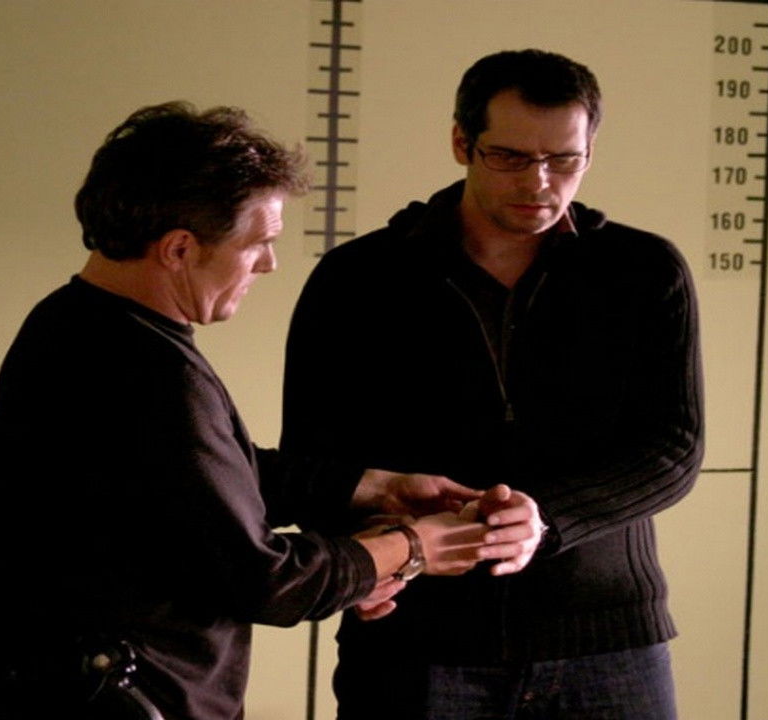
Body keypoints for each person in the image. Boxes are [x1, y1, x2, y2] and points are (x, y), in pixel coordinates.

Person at [0, 102, 522, 720]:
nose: (269, 263)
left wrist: (375, 488)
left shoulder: (70, 324)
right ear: (179, 248)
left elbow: (195, 481)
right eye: (258, 243)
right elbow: (263, 580)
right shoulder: (152, 371)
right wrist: (411, 547)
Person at [281, 49, 705, 719]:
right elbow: (311, 458)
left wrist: (548, 518)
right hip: (414, 641)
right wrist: (361, 556)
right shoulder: (357, 278)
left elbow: (674, 449)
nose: (539, 182)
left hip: (607, 643)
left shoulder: (644, 270)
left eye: (564, 159)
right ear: (462, 143)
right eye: (509, 157)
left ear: (590, 151)